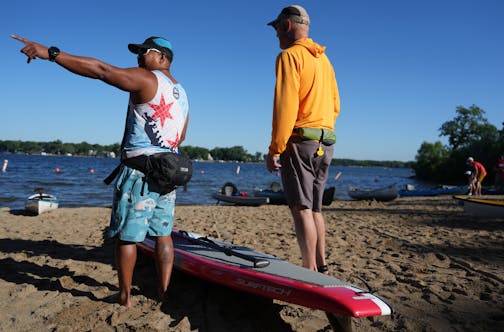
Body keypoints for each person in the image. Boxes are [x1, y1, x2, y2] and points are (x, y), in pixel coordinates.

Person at [12, 35, 190, 307]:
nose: (139, 58)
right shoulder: (182, 94)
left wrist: (52, 53)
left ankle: (124, 297)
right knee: (162, 235)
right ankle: (164, 293)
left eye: (145, 52)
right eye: (138, 53)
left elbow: (101, 71)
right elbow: (181, 136)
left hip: (139, 173)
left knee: (126, 237)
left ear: (163, 58)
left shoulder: (147, 79)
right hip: (168, 173)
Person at [265, 5, 340, 274]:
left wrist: (276, 148)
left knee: (302, 209)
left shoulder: (289, 56)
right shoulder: (324, 60)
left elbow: (285, 106)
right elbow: (335, 104)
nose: (276, 36)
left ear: (286, 25)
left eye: (276, 29)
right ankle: (321, 266)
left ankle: (308, 272)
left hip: (301, 140)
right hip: (326, 141)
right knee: (316, 209)